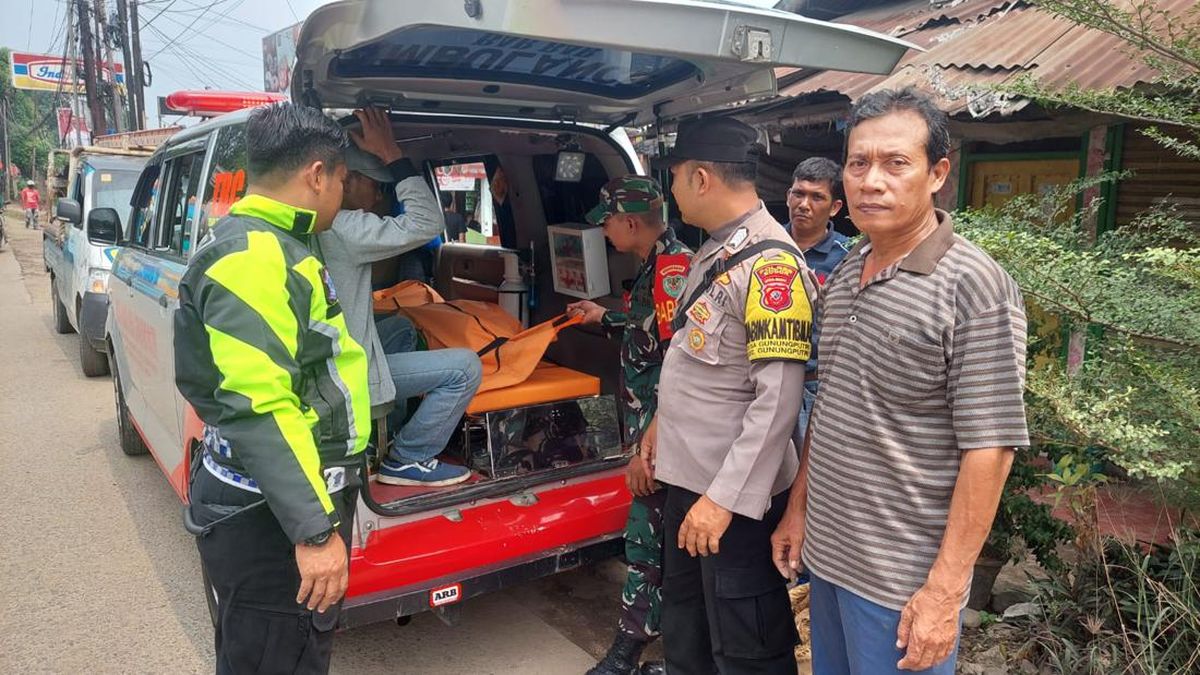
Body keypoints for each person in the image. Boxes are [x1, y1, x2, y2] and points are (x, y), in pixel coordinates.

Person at [770, 87, 1029, 674]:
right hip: (830, 560)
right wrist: (799, 510)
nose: (872, 182)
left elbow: (991, 449)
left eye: (895, 163)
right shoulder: (845, 273)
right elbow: (830, 406)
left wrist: (944, 591)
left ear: (937, 174)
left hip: (902, 586)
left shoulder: (974, 287)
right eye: (858, 164)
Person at [174, 102, 371, 674]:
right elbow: (260, 405)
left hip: (269, 503)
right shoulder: (256, 256)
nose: (344, 194)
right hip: (270, 518)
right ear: (317, 174)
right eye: (343, 180)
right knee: (279, 656)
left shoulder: (269, 241)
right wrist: (314, 533)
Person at [649, 117, 817, 675]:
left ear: (700, 178)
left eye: (674, 177)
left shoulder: (771, 267)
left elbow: (777, 405)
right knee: (688, 636)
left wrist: (721, 502)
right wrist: (658, 426)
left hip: (734, 502)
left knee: (745, 652)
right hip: (689, 483)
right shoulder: (718, 248)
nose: (671, 192)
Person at [318, 107, 482, 487]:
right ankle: (408, 457)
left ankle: (384, 436)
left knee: (399, 327)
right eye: (378, 185)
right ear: (349, 180)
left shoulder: (317, 222)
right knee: (466, 367)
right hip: (348, 374)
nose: (380, 195)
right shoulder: (344, 227)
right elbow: (427, 223)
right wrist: (392, 154)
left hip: (334, 358)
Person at [567, 176, 693, 675]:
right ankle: (673, 647)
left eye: (608, 224)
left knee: (646, 539)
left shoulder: (673, 270)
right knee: (662, 540)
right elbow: (652, 329)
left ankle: (628, 649)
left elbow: (681, 362)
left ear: (631, 223)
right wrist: (603, 316)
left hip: (663, 433)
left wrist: (648, 448)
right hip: (653, 428)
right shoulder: (654, 267)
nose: (604, 233)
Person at [785, 157, 853, 452]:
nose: (804, 204)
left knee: (811, 471)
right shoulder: (764, 245)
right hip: (762, 382)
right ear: (788, 196)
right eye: (798, 193)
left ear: (835, 207)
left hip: (815, 387)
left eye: (817, 197)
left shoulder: (848, 257)